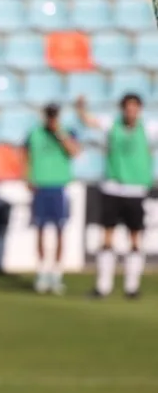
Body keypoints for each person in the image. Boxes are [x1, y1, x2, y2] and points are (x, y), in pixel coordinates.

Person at [76, 94, 155, 299]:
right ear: (122, 109)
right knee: (107, 236)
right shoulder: (112, 125)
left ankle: (132, 286)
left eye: (134, 108)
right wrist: (81, 109)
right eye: (128, 108)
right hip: (113, 187)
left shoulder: (148, 128)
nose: (131, 112)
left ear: (139, 110)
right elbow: (89, 121)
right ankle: (103, 286)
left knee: (135, 237)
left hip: (135, 189)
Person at [23, 104, 80, 295]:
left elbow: (74, 152)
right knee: (39, 230)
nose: (51, 119)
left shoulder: (67, 132)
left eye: (54, 116)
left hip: (58, 186)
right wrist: (27, 176)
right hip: (40, 186)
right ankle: (41, 273)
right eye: (49, 116)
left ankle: (56, 274)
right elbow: (26, 154)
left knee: (60, 230)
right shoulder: (34, 133)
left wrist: (60, 135)